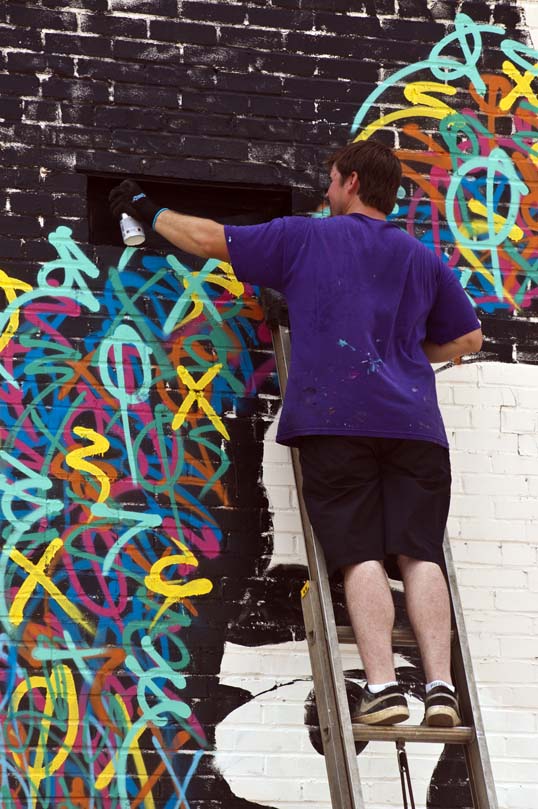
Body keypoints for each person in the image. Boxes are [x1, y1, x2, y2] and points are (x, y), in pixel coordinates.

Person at [109, 139, 482, 728]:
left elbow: (208, 238)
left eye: (332, 181)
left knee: (358, 553)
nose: (327, 191)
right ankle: (440, 689)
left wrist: (145, 208)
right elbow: (467, 340)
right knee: (419, 554)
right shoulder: (422, 258)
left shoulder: (306, 238)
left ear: (353, 182)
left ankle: (383, 687)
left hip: (337, 422)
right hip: (415, 428)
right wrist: (406, 352)